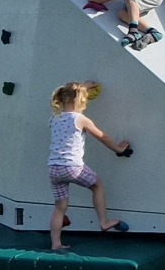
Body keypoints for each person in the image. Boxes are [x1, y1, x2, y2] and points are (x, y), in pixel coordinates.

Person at [47, 81, 131, 250]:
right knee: (97, 184)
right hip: (72, 167)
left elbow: (69, 91)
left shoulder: (54, 118)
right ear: (79, 101)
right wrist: (118, 148)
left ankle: (56, 243)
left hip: (54, 168)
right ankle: (104, 221)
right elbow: (103, 137)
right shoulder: (80, 119)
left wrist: (81, 86)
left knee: (60, 207)